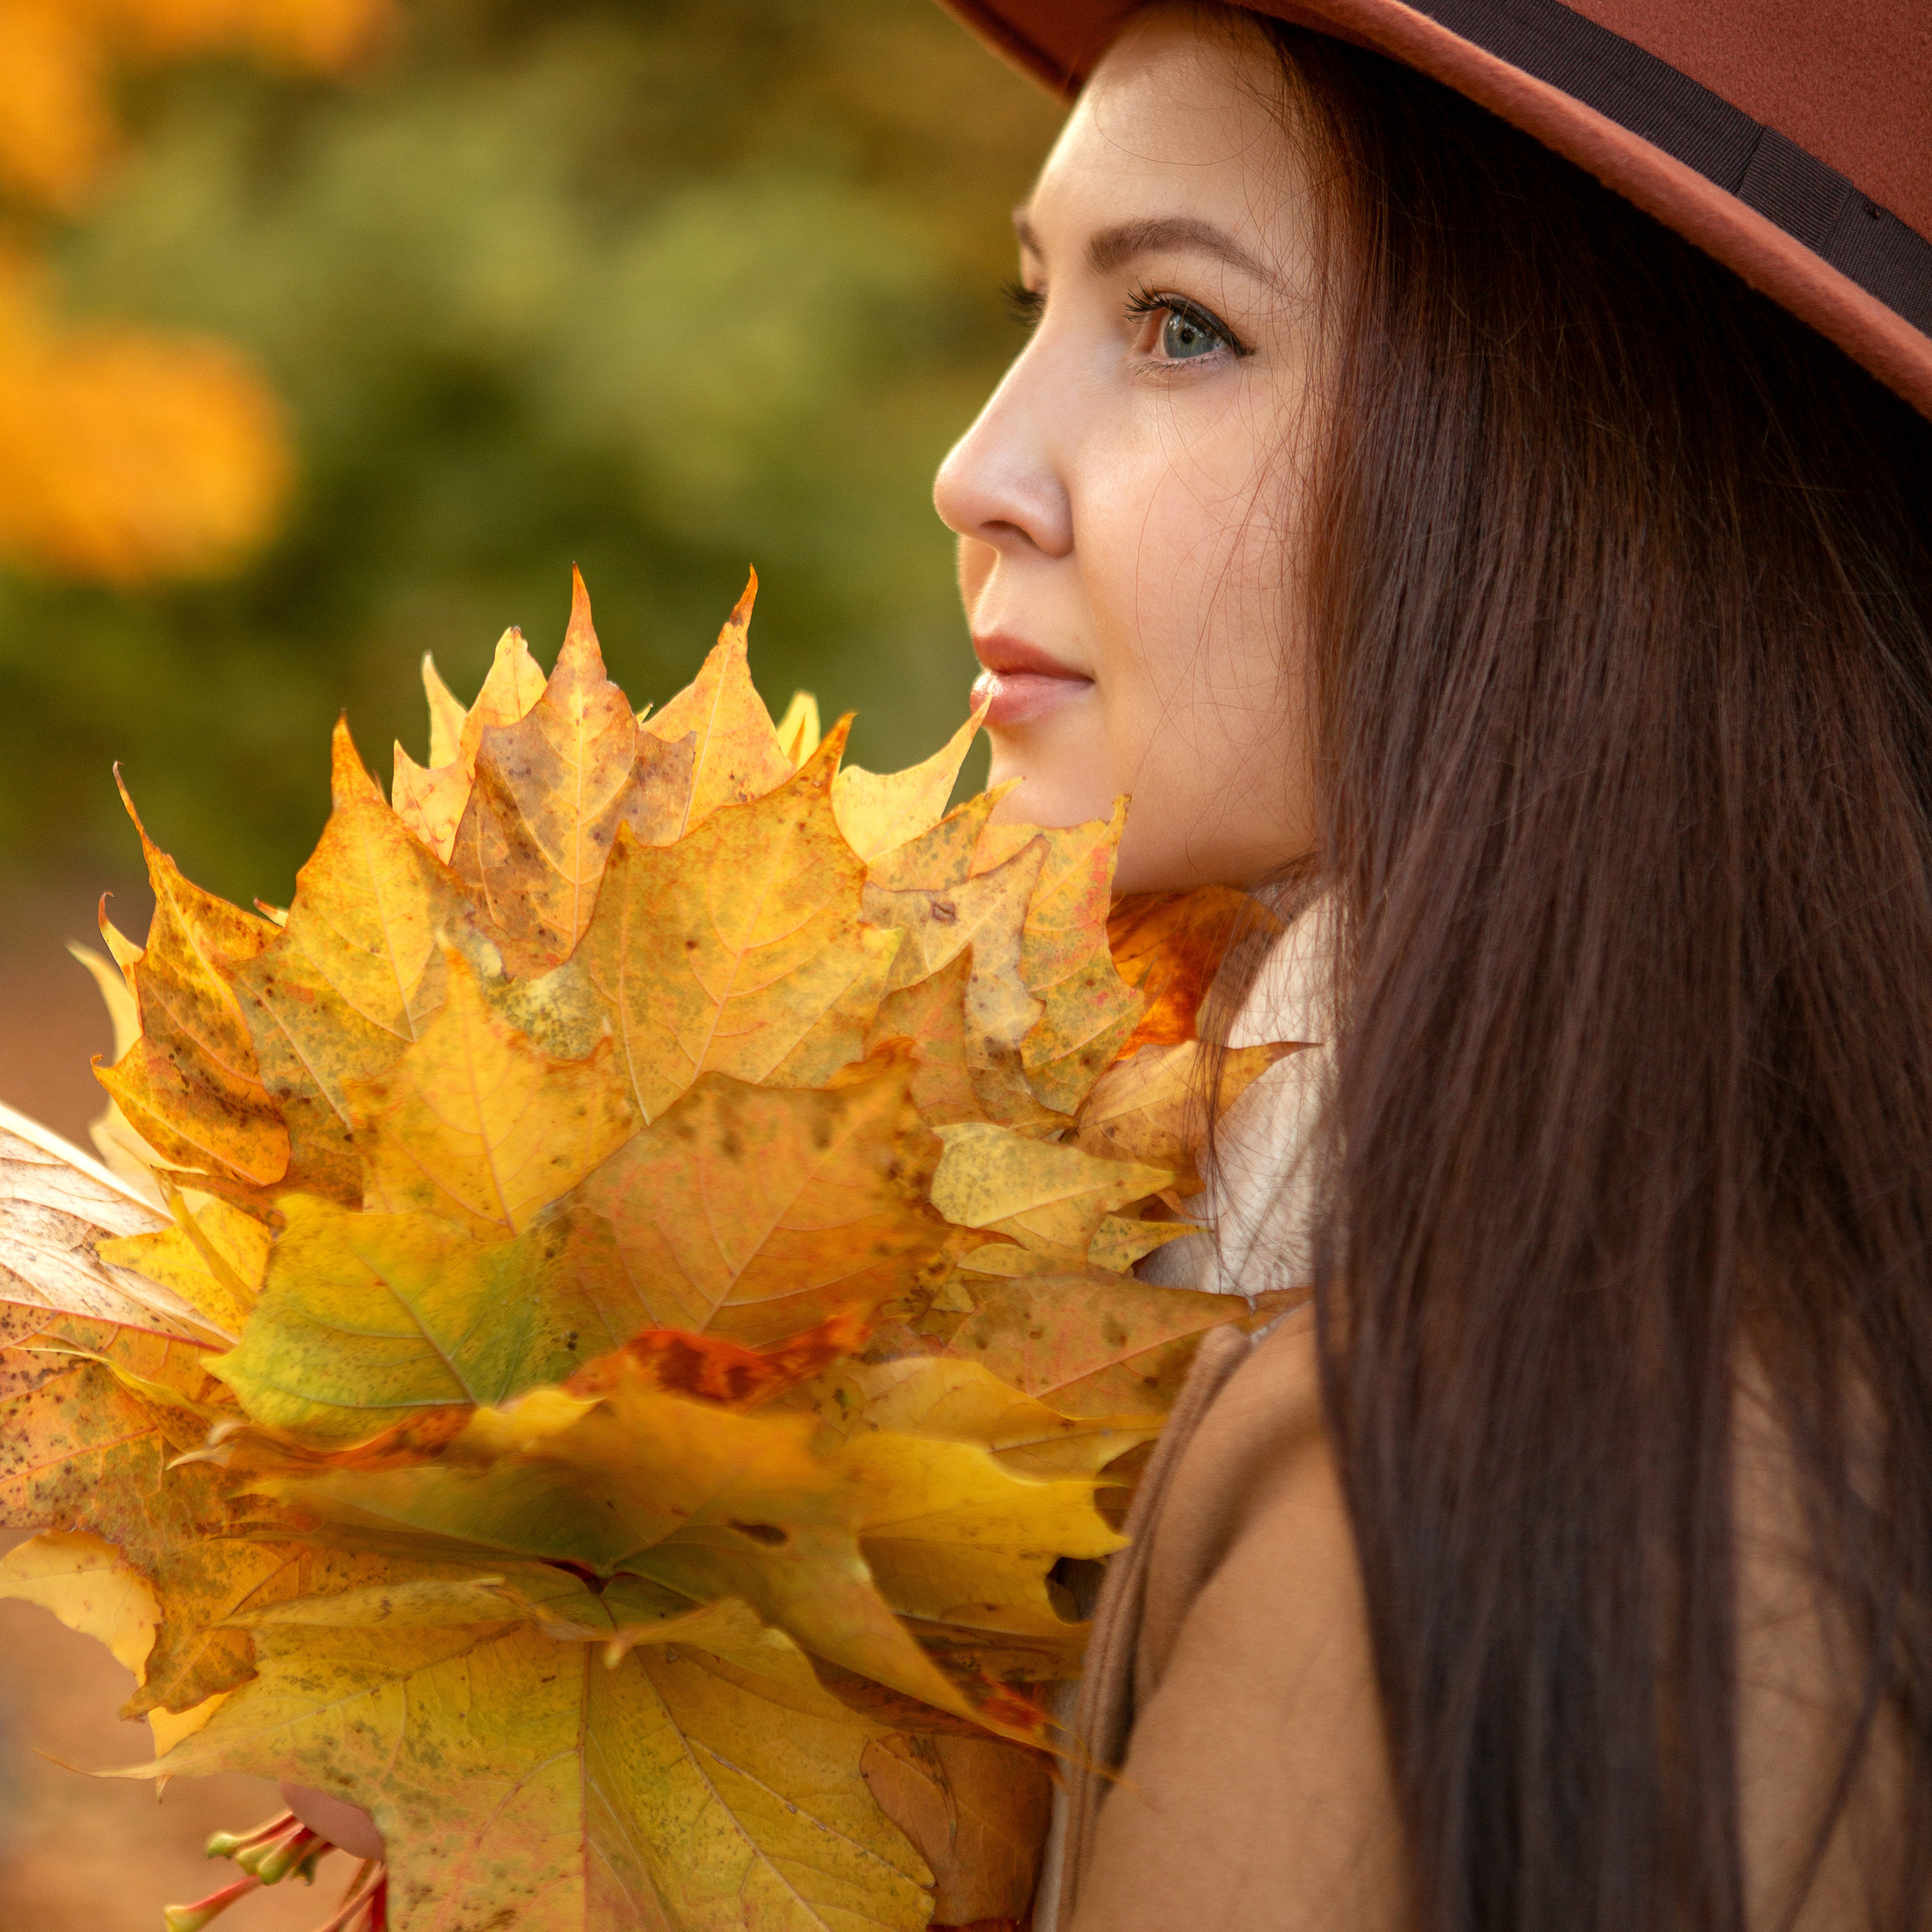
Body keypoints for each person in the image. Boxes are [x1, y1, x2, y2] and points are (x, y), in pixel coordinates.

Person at [930, 2, 1932, 1929]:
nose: (979, 471)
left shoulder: (1524, 1474)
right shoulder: (1249, 1275)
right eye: (1030, 298)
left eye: (1180, 329)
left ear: (1605, 471)